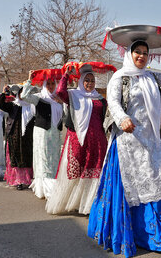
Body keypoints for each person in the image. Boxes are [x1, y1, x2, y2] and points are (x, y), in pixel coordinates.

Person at [88, 30, 161, 257]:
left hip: (151, 142)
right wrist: (123, 118)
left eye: (145, 53)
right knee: (133, 190)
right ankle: (144, 234)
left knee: (158, 184)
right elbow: (113, 101)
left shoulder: (150, 77)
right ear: (129, 54)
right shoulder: (120, 77)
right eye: (138, 53)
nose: (141, 57)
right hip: (127, 143)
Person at [45, 63, 109, 214]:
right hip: (77, 139)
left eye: (92, 81)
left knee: (94, 171)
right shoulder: (74, 95)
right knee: (76, 171)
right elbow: (60, 92)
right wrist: (66, 75)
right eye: (86, 80)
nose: (89, 83)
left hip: (98, 141)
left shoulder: (100, 98)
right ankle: (70, 202)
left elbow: (105, 118)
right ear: (81, 81)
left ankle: (88, 205)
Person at [20, 70, 63, 199]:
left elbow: (65, 115)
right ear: (44, 85)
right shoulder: (39, 98)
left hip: (55, 134)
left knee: (54, 160)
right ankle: (47, 190)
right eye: (48, 83)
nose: (50, 86)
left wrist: (61, 102)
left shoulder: (58, 99)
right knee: (44, 160)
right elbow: (24, 96)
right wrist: (29, 80)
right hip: (42, 133)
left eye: (53, 83)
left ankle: (51, 186)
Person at [0, 85, 34, 190]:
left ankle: (26, 180)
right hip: (14, 136)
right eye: (21, 93)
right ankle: (18, 180)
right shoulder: (13, 105)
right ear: (18, 94)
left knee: (26, 157)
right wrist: (4, 93)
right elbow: (0, 104)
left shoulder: (32, 106)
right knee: (16, 158)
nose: (22, 96)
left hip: (27, 137)